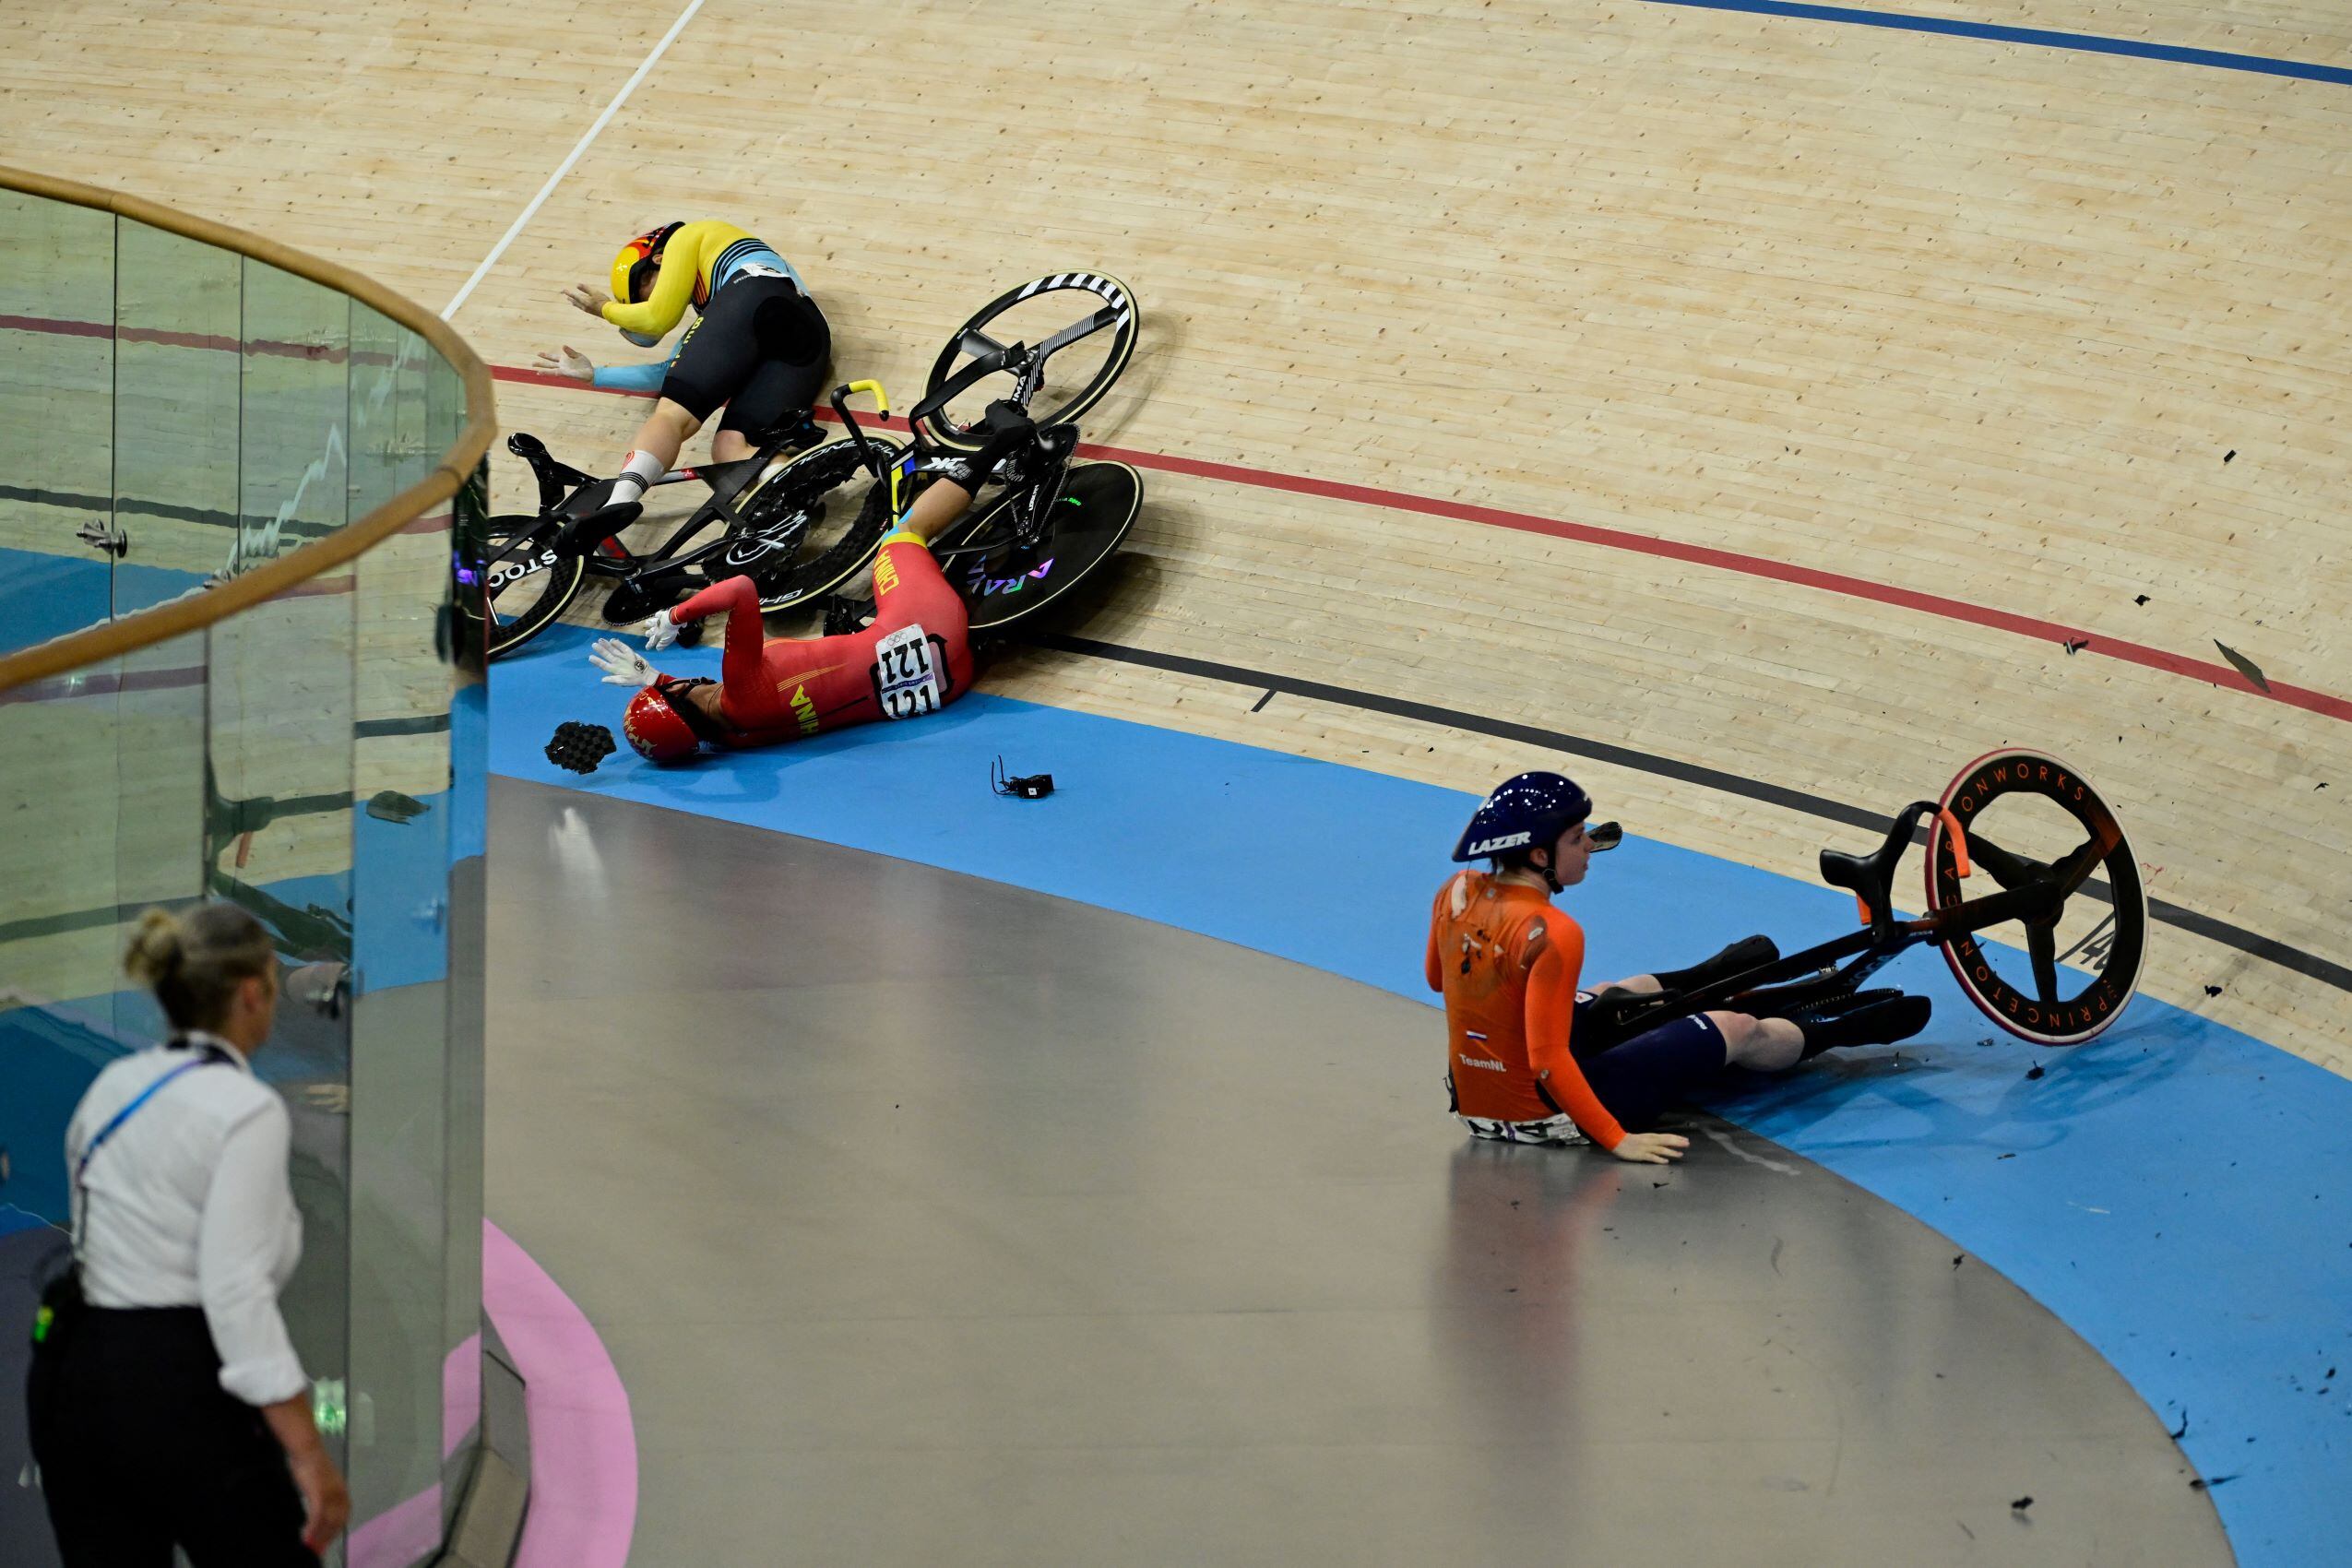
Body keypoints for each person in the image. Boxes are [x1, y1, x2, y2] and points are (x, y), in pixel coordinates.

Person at [26, 903, 347, 1565]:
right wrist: (309, 1453)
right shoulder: (246, 1110)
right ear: (255, 996)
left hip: (71, 1375)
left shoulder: (114, 1085)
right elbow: (234, 1295)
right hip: (175, 1385)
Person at [1427, 772, 1930, 1164]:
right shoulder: (1554, 931)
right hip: (1550, 1115)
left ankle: (1701, 977)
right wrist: (1616, 1138)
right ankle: (1834, 1029)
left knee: (1613, 993)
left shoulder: (1456, 892)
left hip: (1476, 1101)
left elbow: (1438, 979)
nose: (1590, 848)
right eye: (1579, 838)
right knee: (1735, 1027)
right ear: (1540, 855)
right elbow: (1546, 1058)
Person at [586, 415, 1034, 761]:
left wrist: (655, 680)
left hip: (948, 685)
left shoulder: (740, 740)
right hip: (925, 627)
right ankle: (1001, 445)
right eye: (674, 688)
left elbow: (700, 718)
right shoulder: (741, 684)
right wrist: (675, 615)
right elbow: (740, 588)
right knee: (900, 538)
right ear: (682, 696)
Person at [534, 219, 830, 509]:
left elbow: (656, 318)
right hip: (811, 336)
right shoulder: (719, 308)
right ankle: (798, 496)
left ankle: (616, 506)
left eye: (644, 286)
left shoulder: (685, 238)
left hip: (758, 291)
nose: (647, 298)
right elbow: (669, 373)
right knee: (730, 449)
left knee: (672, 414)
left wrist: (605, 309)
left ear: (659, 260)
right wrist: (595, 375)